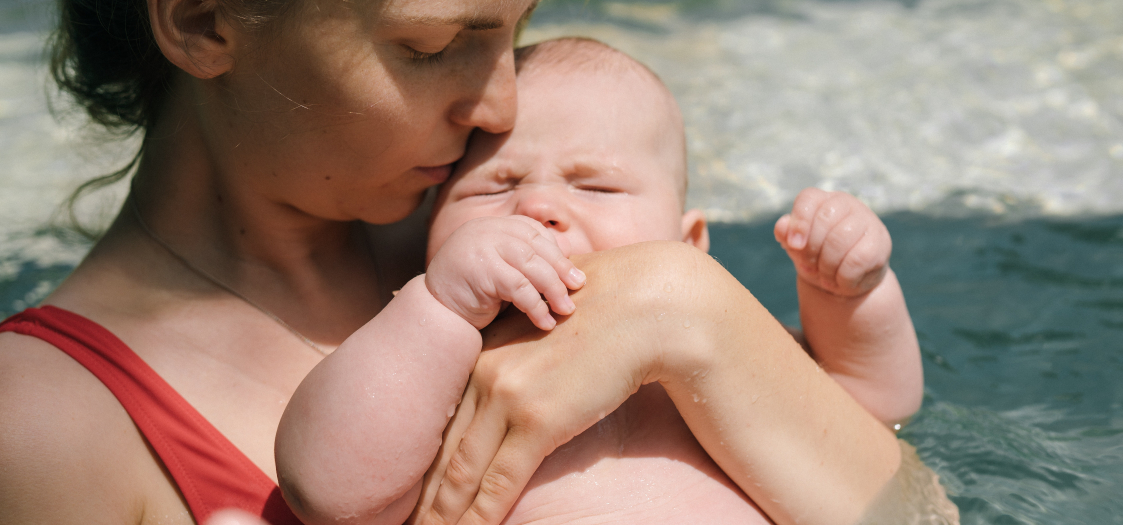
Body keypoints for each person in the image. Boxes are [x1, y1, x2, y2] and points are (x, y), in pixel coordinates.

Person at [0, 1, 923, 524]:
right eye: (433, 41)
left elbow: (923, 515)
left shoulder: (527, 247)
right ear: (202, 19)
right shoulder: (38, 431)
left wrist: (680, 308)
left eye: (513, 34)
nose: (498, 107)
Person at [275, 38, 932, 525]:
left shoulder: (717, 357)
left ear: (689, 243)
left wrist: (849, 294)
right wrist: (438, 305)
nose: (538, 206)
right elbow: (328, 488)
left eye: (595, 185)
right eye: (494, 186)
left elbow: (872, 406)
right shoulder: (435, 367)